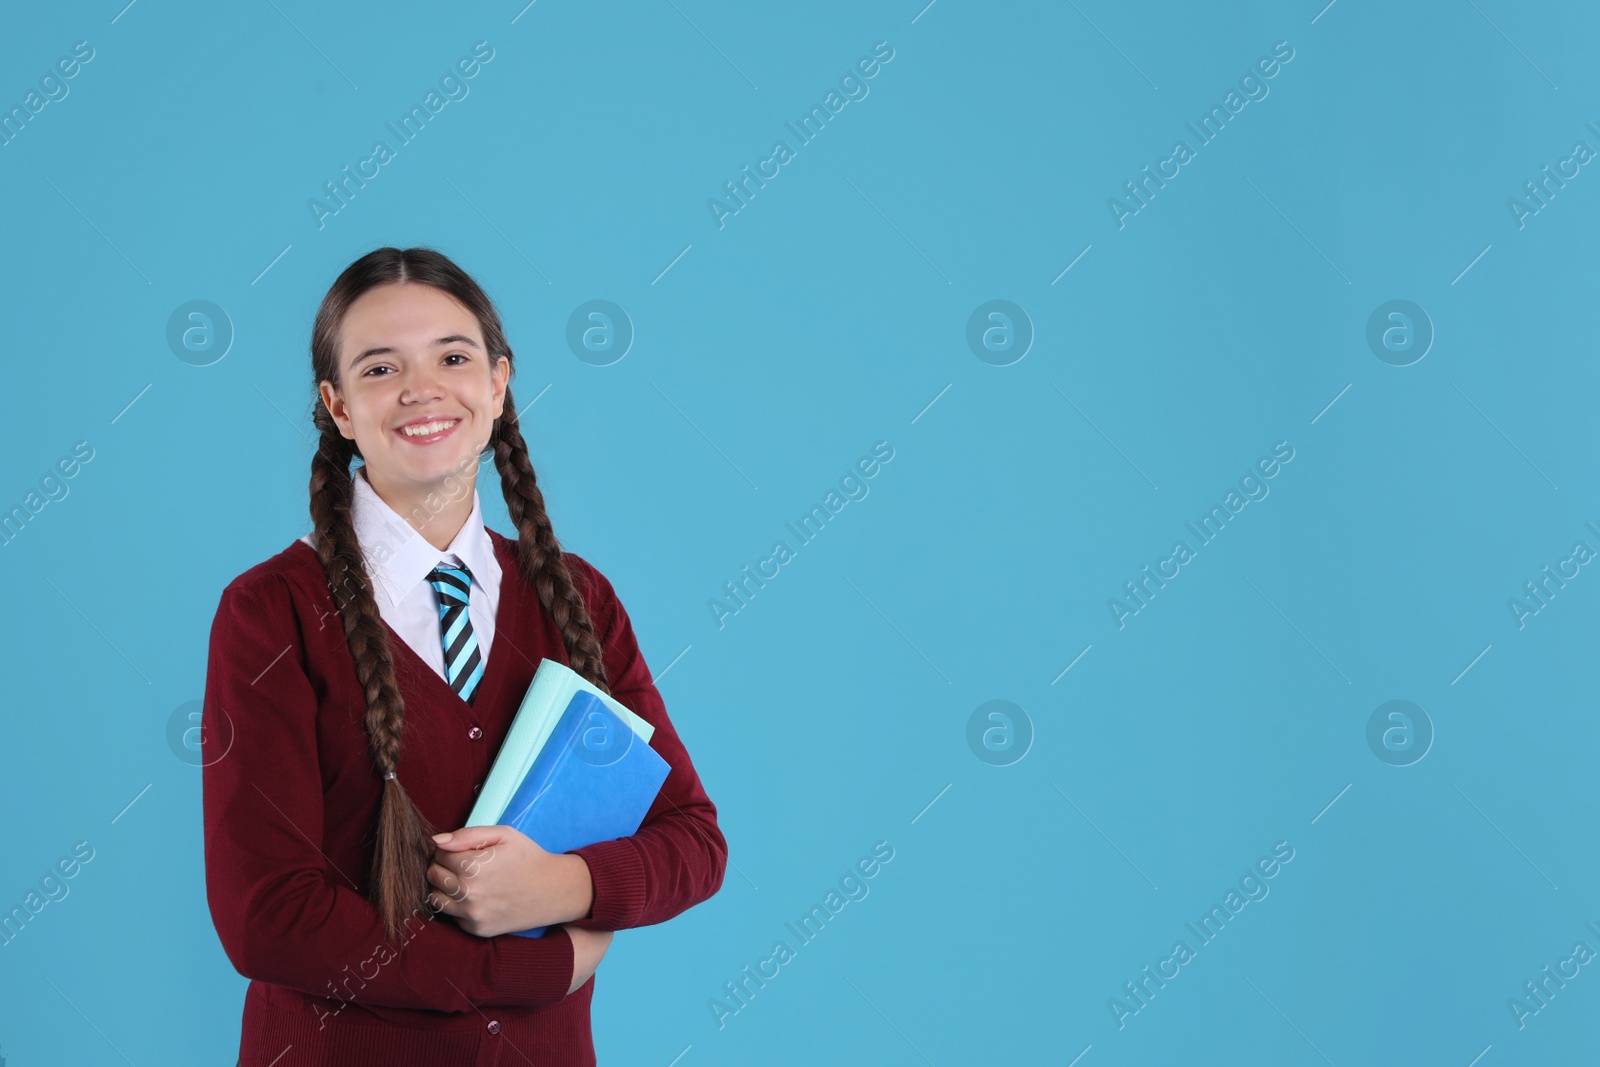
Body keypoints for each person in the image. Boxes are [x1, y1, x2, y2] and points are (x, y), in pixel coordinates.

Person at [202, 246, 727, 1066]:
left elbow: (693, 840)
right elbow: (265, 914)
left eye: (453, 356)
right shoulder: (272, 611)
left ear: (498, 383)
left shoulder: (577, 598)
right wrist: (533, 963)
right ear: (338, 408)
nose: (421, 389)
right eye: (380, 368)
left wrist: (570, 886)